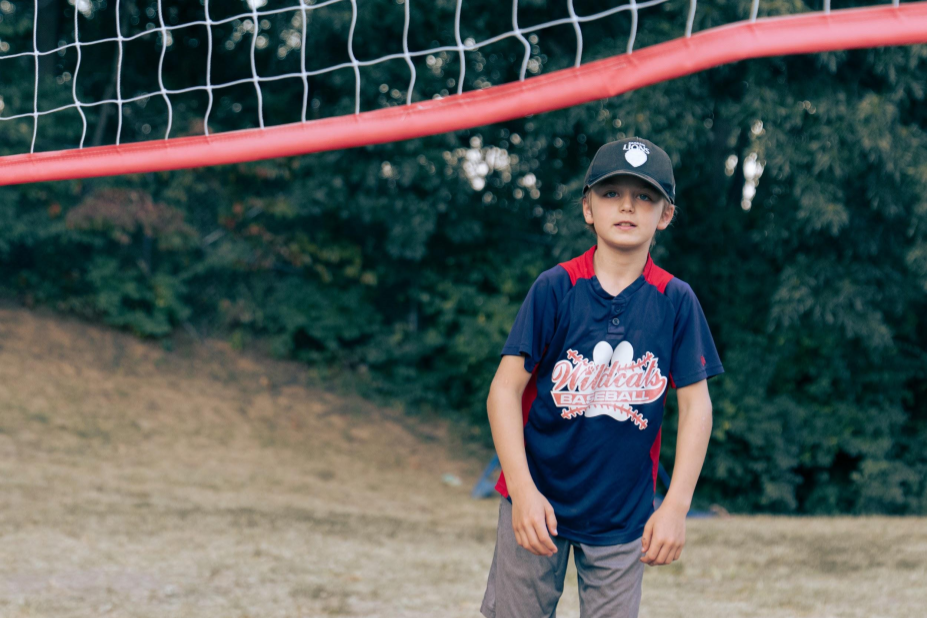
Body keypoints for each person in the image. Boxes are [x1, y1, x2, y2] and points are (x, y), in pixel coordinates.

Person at [480, 136, 724, 618]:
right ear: (587, 207)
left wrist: (675, 506)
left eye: (645, 196)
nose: (628, 206)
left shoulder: (675, 301)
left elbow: (697, 406)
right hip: (537, 503)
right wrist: (523, 490)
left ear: (666, 214)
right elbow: (503, 392)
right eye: (611, 193)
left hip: (622, 516)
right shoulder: (556, 288)